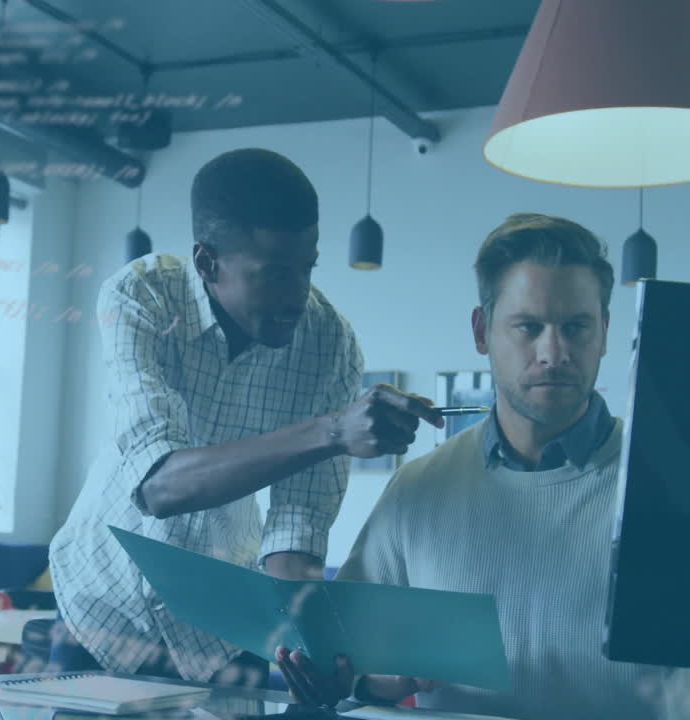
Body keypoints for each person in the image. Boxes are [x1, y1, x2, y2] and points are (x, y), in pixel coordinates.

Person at [275, 213, 690, 720]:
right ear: (480, 331)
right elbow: (347, 661)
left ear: (606, 332)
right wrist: (372, 681)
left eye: (576, 327)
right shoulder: (416, 490)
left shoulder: (678, 489)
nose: (554, 352)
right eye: (528, 326)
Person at [47, 148, 443, 686]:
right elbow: (158, 486)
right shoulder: (142, 296)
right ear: (208, 262)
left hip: (223, 632)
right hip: (101, 611)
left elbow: (297, 525)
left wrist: (302, 636)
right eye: (276, 274)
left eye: (308, 267)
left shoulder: (329, 343)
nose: (298, 295)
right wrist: (331, 432)